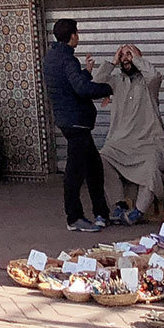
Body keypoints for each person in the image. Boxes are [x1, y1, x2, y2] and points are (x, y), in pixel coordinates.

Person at [44, 19, 113, 231]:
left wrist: (87, 72)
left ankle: (101, 213)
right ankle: (74, 217)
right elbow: (81, 89)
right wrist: (108, 88)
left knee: (94, 168)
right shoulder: (68, 59)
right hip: (77, 122)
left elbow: (70, 84)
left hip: (68, 120)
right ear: (72, 35)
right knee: (75, 172)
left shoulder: (51, 57)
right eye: (77, 33)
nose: (78, 36)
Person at [91, 44, 164, 225]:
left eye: (129, 54)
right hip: (120, 143)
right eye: (123, 55)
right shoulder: (116, 81)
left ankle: (138, 212)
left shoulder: (149, 84)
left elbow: (155, 75)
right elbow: (94, 86)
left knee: (151, 166)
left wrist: (138, 59)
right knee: (101, 159)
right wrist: (112, 62)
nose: (126, 58)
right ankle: (119, 205)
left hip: (149, 143)